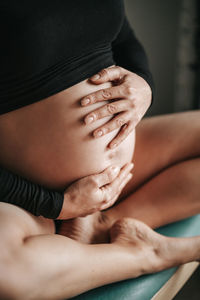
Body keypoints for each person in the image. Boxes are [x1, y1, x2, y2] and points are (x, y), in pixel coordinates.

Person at [0, 1, 200, 299]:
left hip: (119, 176)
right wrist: (56, 204)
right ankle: (146, 256)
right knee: (7, 273)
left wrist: (144, 86)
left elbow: (123, 38)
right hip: (23, 197)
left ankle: (105, 224)